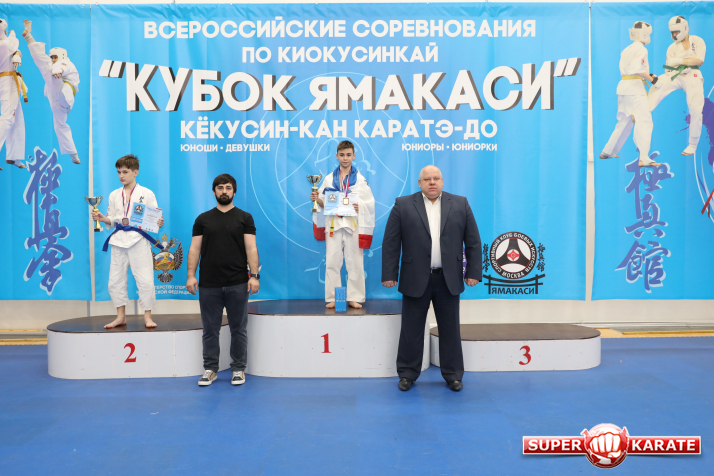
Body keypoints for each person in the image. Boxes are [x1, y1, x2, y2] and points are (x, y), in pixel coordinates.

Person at [382, 165, 481, 392]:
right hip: (415, 277)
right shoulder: (403, 205)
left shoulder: (460, 204)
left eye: (436, 178)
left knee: (450, 329)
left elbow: (473, 241)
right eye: (427, 179)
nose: (432, 182)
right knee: (411, 330)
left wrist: (473, 272)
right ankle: (407, 373)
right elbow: (390, 243)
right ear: (420, 183)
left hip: (448, 278)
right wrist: (389, 274)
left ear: (442, 181)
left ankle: (453, 375)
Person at [186, 174, 261, 387]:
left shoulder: (245, 218)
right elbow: (194, 249)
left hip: (238, 282)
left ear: (234, 191)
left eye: (228, 187)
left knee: (238, 329)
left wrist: (254, 276)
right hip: (209, 284)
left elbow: (251, 248)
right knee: (210, 330)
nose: (224, 191)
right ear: (214, 191)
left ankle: (238, 369)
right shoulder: (203, 219)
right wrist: (190, 275)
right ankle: (210, 369)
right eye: (220, 188)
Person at [91, 155, 164, 329]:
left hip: (138, 240)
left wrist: (158, 222)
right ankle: (120, 316)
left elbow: (154, 218)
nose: (121, 176)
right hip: (118, 240)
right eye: (119, 172)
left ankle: (147, 316)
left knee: (145, 280)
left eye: (125, 172)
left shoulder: (147, 193)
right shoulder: (114, 195)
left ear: (135, 172)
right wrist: (103, 218)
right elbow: (112, 219)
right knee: (115, 281)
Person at [310, 140, 375, 309]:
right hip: (334, 224)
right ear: (336, 156)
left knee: (355, 262)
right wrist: (317, 199)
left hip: (353, 225)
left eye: (348, 155)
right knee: (332, 261)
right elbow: (323, 203)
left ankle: (354, 297)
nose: (345, 158)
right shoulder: (329, 179)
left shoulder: (360, 179)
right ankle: (333, 297)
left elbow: (370, 203)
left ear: (354, 156)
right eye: (342, 155)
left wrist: (360, 206)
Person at [600, 21, 661, 167]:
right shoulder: (641, 49)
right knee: (644, 121)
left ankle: (608, 151)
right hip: (635, 89)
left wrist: (647, 76)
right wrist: (652, 79)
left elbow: (632, 69)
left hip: (623, 88)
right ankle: (644, 158)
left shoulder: (626, 49)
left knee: (624, 121)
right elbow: (637, 69)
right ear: (645, 34)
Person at [22, 19, 81, 164]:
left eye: (55, 57)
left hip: (64, 91)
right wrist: (55, 70)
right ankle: (74, 154)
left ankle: (29, 37)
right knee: (59, 126)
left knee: (45, 66)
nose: (54, 59)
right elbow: (49, 63)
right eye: (52, 57)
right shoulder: (53, 67)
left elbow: (62, 66)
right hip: (57, 101)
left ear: (61, 56)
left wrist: (57, 70)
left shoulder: (66, 63)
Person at [648, 15, 706, 156]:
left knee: (696, 108)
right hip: (676, 75)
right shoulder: (672, 47)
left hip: (693, 74)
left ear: (685, 28)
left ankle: (692, 144)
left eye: (676, 31)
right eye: (672, 32)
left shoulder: (697, 41)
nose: (674, 35)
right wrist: (678, 66)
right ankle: (644, 109)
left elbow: (699, 61)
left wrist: (680, 61)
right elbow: (669, 67)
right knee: (659, 83)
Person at [0, 19, 26, 170]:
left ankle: (13, 155)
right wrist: (14, 36)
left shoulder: (6, 43)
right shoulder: (5, 43)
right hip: (7, 82)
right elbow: (14, 45)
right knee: (7, 118)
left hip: (9, 81)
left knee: (16, 119)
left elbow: (15, 50)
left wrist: (17, 54)